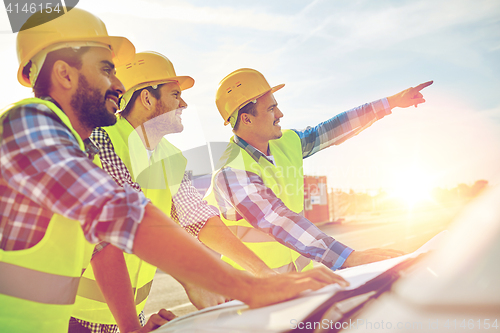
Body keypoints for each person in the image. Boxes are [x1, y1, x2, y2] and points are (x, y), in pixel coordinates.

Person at [0, 10, 348, 333]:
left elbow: (121, 239)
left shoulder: (87, 148)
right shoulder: (26, 125)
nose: (118, 87)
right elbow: (119, 214)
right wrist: (248, 286)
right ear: (64, 73)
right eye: (107, 69)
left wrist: (131, 326)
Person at [71, 51, 278, 333]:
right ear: (147, 98)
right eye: (175, 94)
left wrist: (262, 273)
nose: (184, 103)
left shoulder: (171, 156)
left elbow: (198, 218)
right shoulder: (102, 141)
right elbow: (125, 227)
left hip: (126, 315)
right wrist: (195, 277)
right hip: (75, 316)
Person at [207, 68, 431, 273]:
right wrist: (347, 258)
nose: (280, 114)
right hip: (253, 295)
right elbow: (278, 220)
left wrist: (390, 103)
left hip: (300, 281)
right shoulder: (231, 172)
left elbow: (331, 129)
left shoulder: (286, 142)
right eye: (271, 108)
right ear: (246, 119)